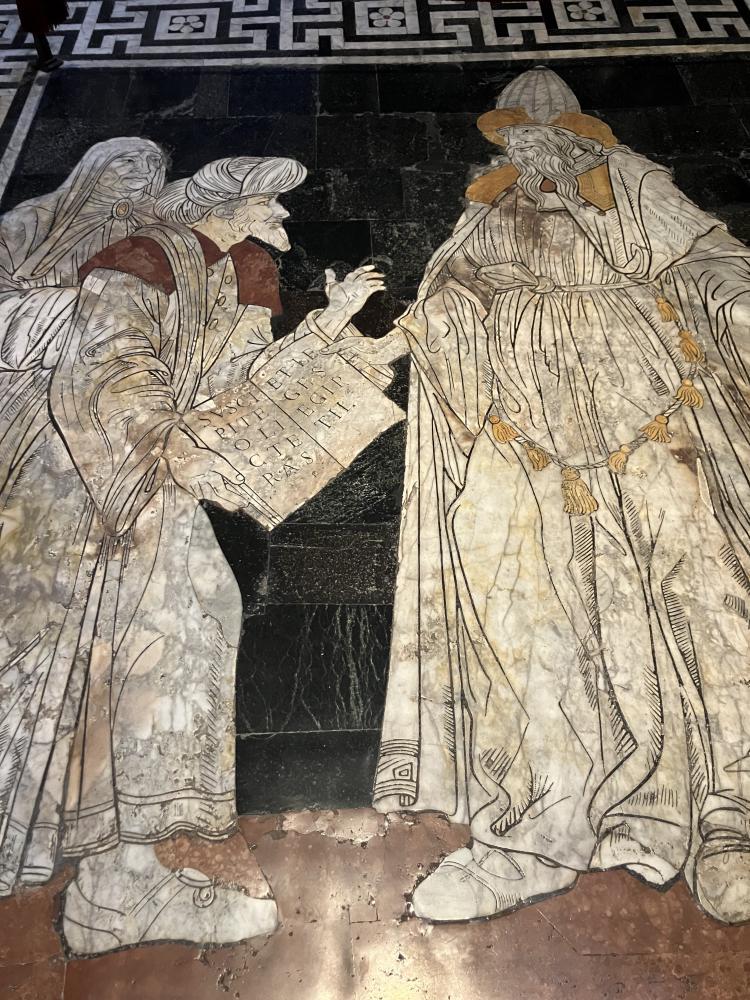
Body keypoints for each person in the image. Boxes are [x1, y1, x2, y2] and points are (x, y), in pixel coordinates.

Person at [333, 68, 750, 925]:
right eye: (511, 137)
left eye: (535, 132)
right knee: (515, 611)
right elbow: (454, 289)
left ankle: (726, 816)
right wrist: (434, 321)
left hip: (650, 410)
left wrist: (733, 302)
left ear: (575, 131)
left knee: (702, 599)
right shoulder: (494, 204)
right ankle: (536, 829)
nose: (523, 149)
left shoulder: (634, 186)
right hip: (519, 427)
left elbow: (713, 263)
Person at [0, 153, 385, 954]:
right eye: (271, 203)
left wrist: (328, 327)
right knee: (127, 657)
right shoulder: (142, 260)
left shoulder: (236, 271)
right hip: (100, 486)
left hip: (152, 478)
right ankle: (114, 888)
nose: (283, 218)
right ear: (231, 202)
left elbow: (240, 383)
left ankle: (120, 881)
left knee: (183, 632)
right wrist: (160, 447)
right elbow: (108, 370)